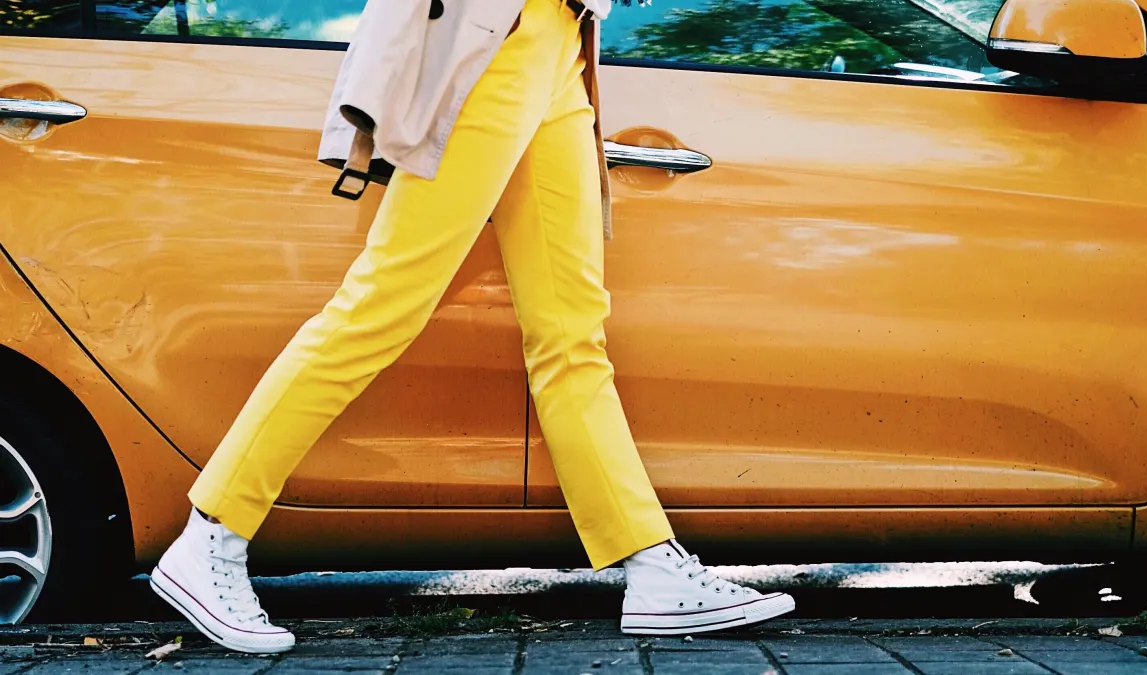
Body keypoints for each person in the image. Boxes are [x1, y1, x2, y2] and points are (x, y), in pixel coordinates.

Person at [148, 0, 795, 654]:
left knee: (571, 335)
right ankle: (212, 534)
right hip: (497, 41)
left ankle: (651, 564)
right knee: (380, 306)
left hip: (562, 47)